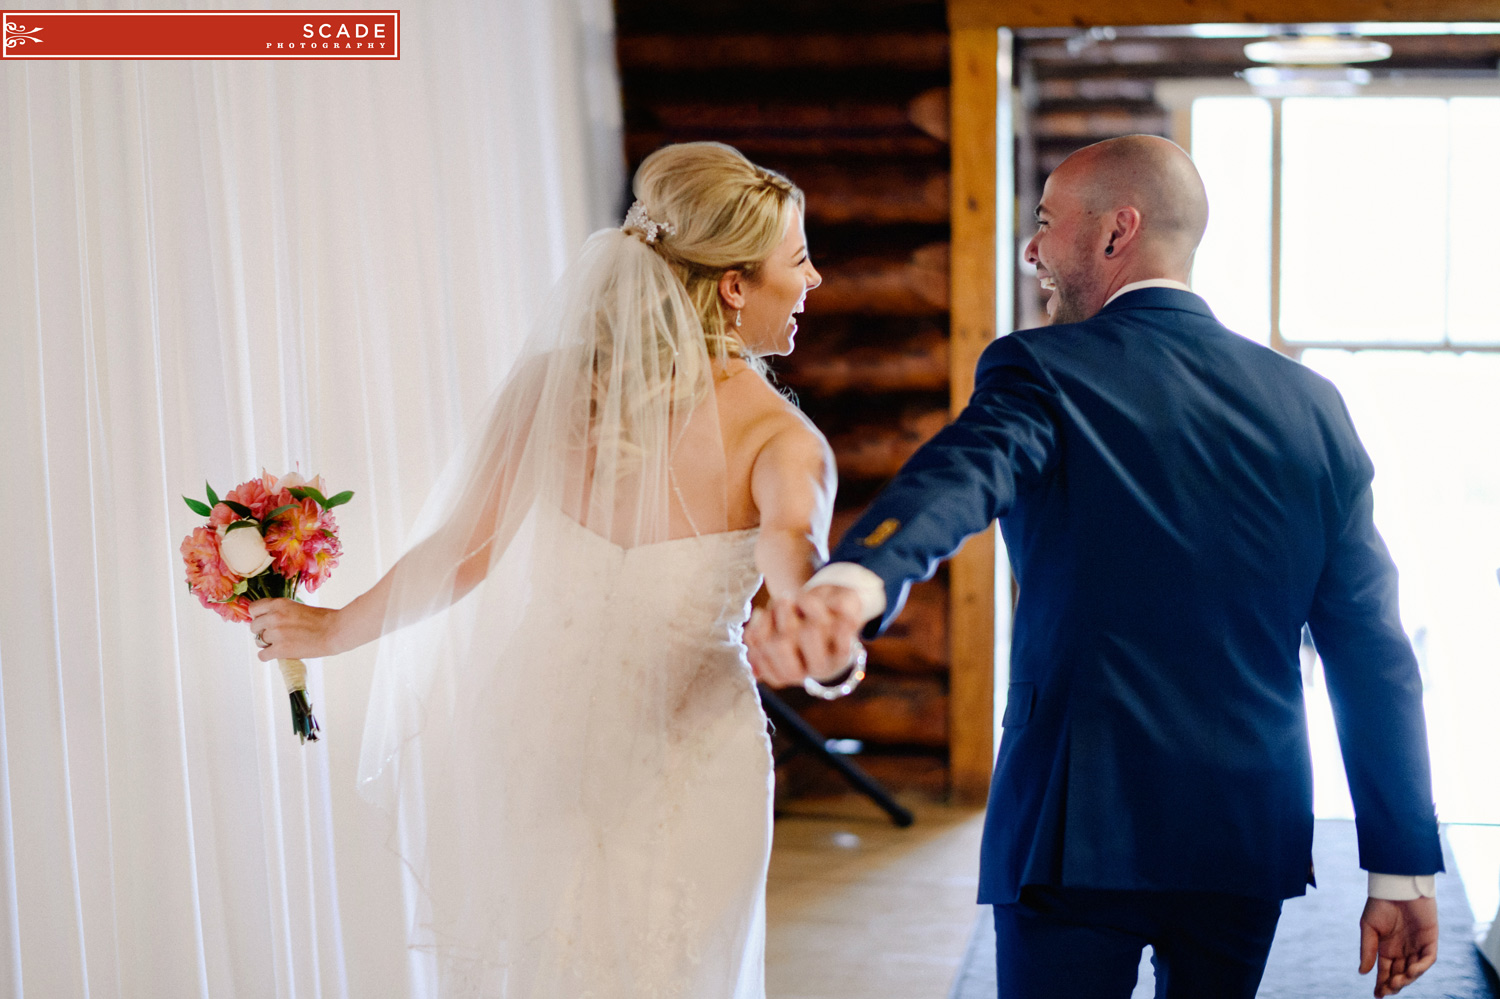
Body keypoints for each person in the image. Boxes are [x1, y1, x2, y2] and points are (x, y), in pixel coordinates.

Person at [747, 135, 1443, 999]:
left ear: (1118, 232)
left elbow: (966, 470)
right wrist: (1400, 869)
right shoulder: (1311, 405)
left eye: (1045, 225)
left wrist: (858, 580)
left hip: (1077, 819)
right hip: (1243, 824)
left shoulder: (1042, 369)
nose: (1032, 250)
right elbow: (1372, 649)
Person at [246, 141, 830, 997]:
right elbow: (792, 543)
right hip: (680, 754)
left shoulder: (555, 386)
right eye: (801, 258)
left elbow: (461, 554)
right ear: (734, 285)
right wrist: (806, 609)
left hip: (539, 730)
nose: (814, 280)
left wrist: (336, 628)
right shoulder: (784, 439)